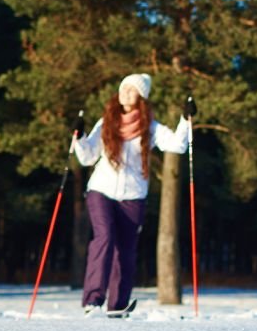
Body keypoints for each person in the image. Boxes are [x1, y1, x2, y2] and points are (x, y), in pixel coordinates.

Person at [72, 73, 191, 315]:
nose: (125, 92)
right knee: (104, 237)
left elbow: (178, 145)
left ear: (142, 96)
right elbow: (86, 157)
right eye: (123, 87)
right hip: (101, 190)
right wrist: (80, 137)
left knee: (125, 249)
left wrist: (186, 119)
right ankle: (93, 300)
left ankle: (117, 305)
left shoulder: (151, 128)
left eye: (132, 89)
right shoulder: (105, 123)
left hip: (133, 195)